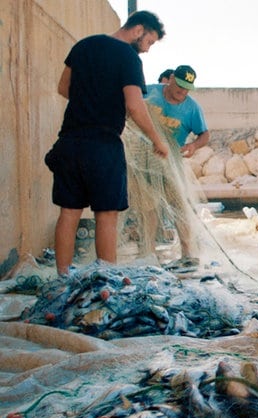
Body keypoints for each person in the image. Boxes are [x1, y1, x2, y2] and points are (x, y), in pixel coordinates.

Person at [45, 10, 169, 276]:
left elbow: (63, 87)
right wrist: (157, 140)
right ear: (139, 30)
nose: (147, 49)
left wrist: (89, 103)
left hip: (69, 141)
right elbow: (135, 107)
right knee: (107, 214)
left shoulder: (84, 45)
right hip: (103, 145)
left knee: (68, 212)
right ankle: (105, 282)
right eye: (149, 42)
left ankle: (63, 279)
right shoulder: (128, 57)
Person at [142, 64, 210, 260]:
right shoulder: (149, 91)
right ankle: (149, 252)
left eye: (187, 87)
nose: (182, 91)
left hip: (170, 161)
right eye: (179, 85)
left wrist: (193, 146)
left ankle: (188, 253)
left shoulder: (192, 108)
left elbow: (204, 134)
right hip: (143, 158)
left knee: (179, 204)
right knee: (148, 205)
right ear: (170, 79)